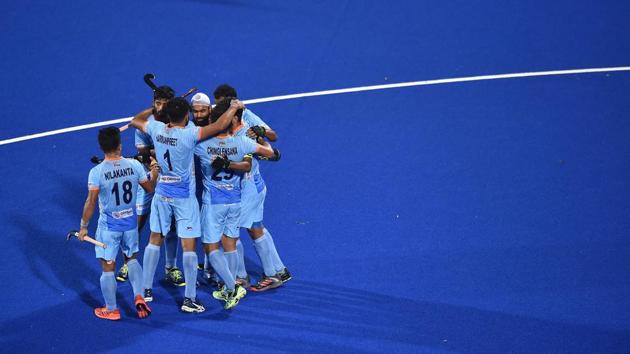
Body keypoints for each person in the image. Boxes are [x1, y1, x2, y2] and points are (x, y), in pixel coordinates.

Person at [128, 96, 243, 313]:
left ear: (167, 115)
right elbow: (219, 125)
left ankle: (147, 289)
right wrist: (234, 107)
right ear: (187, 115)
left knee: (154, 239)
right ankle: (189, 299)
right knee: (188, 247)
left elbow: (136, 120)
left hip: (162, 194)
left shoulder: (156, 128)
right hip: (184, 198)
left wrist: (155, 108)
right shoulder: (190, 134)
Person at [195, 98, 277, 308]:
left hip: (213, 203)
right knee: (230, 243)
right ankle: (236, 283)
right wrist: (259, 141)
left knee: (211, 247)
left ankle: (230, 286)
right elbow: (273, 154)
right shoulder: (243, 143)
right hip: (235, 201)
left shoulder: (202, 145)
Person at [213, 85, 291, 291]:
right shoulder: (237, 130)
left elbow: (272, 153)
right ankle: (278, 270)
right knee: (256, 228)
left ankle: (241, 277)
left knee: (232, 231)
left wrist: (259, 138)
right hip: (253, 187)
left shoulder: (245, 134)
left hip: (249, 189)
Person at [78, 127, 158, 320]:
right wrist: (154, 172)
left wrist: (83, 226)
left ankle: (112, 309)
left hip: (109, 229)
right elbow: (149, 188)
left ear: (101, 147)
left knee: (108, 268)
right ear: (120, 146)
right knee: (131, 259)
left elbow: (91, 202)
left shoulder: (96, 172)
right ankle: (139, 296)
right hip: (130, 225)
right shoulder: (134, 165)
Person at [117, 86, 184, 288]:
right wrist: (156, 156)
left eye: (165, 103)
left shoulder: (180, 122)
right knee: (136, 222)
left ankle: (171, 267)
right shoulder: (147, 124)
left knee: (171, 226)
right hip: (150, 177)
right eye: (157, 102)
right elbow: (144, 154)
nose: (160, 107)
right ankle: (129, 263)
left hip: (172, 181)